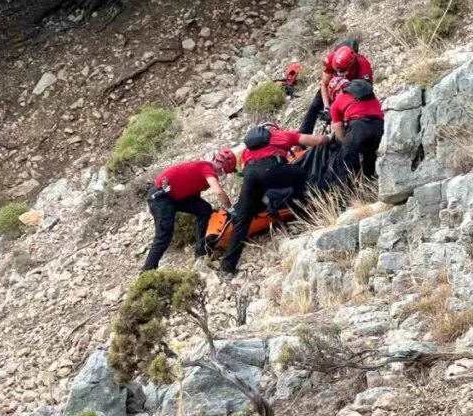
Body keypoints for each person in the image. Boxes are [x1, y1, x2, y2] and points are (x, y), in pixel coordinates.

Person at [220, 124, 330, 275]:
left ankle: (228, 266)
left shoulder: (247, 150)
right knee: (300, 175)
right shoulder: (280, 135)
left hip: (250, 176)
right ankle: (304, 217)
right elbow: (316, 140)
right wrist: (329, 137)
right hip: (271, 169)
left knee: (243, 219)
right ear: (273, 129)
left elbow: (249, 170)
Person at [142, 148, 237, 271]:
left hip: (174, 196)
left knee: (204, 210)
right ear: (217, 160)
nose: (221, 171)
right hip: (161, 198)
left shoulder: (202, 167)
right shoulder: (207, 168)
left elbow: (192, 189)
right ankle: (147, 271)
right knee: (164, 236)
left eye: (224, 170)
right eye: (222, 167)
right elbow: (218, 192)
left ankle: (200, 254)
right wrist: (230, 208)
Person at [298, 41, 374, 135]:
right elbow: (324, 84)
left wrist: (338, 111)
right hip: (334, 87)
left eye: (342, 71)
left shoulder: (363, 66)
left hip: (354, 90)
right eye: (337, 71)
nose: (339, 74)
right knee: (314, 107)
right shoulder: (330, 58)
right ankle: (303, 135)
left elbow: (365, 94)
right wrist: (327, 108)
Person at [328, 77, 385, 185]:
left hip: (359, 126)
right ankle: (369, 182)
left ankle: (344, 191)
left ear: (336, 92)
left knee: (345, 161)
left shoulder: (336, 102)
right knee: (370, 156)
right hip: (380, 125)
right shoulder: (369, 95)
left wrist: (345, 143)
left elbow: (340, 133)